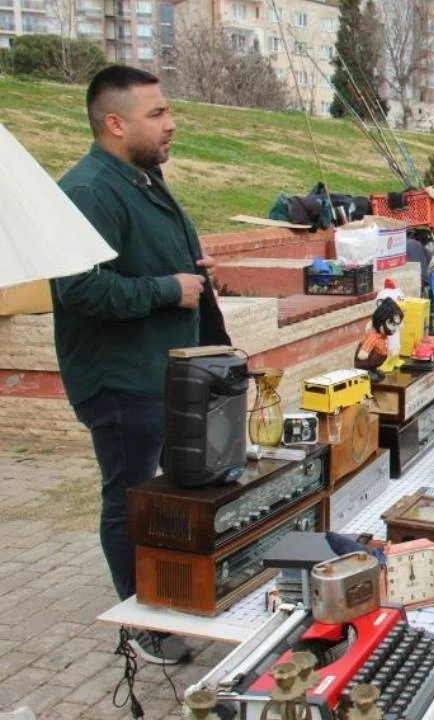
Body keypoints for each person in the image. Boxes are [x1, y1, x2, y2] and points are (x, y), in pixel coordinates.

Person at [54, 65, 230, 665]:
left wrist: (193, 272)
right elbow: (76, 289)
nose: (170, 123)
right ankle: (142, 620)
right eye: (155, 114)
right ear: (113, 122)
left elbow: (150, 262)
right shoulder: (89, 191)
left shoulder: (141, 179)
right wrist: (166, 288)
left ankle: (173, 592)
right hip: (120, 378)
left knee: (165, 493)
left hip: (162, 369)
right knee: (128, 498)